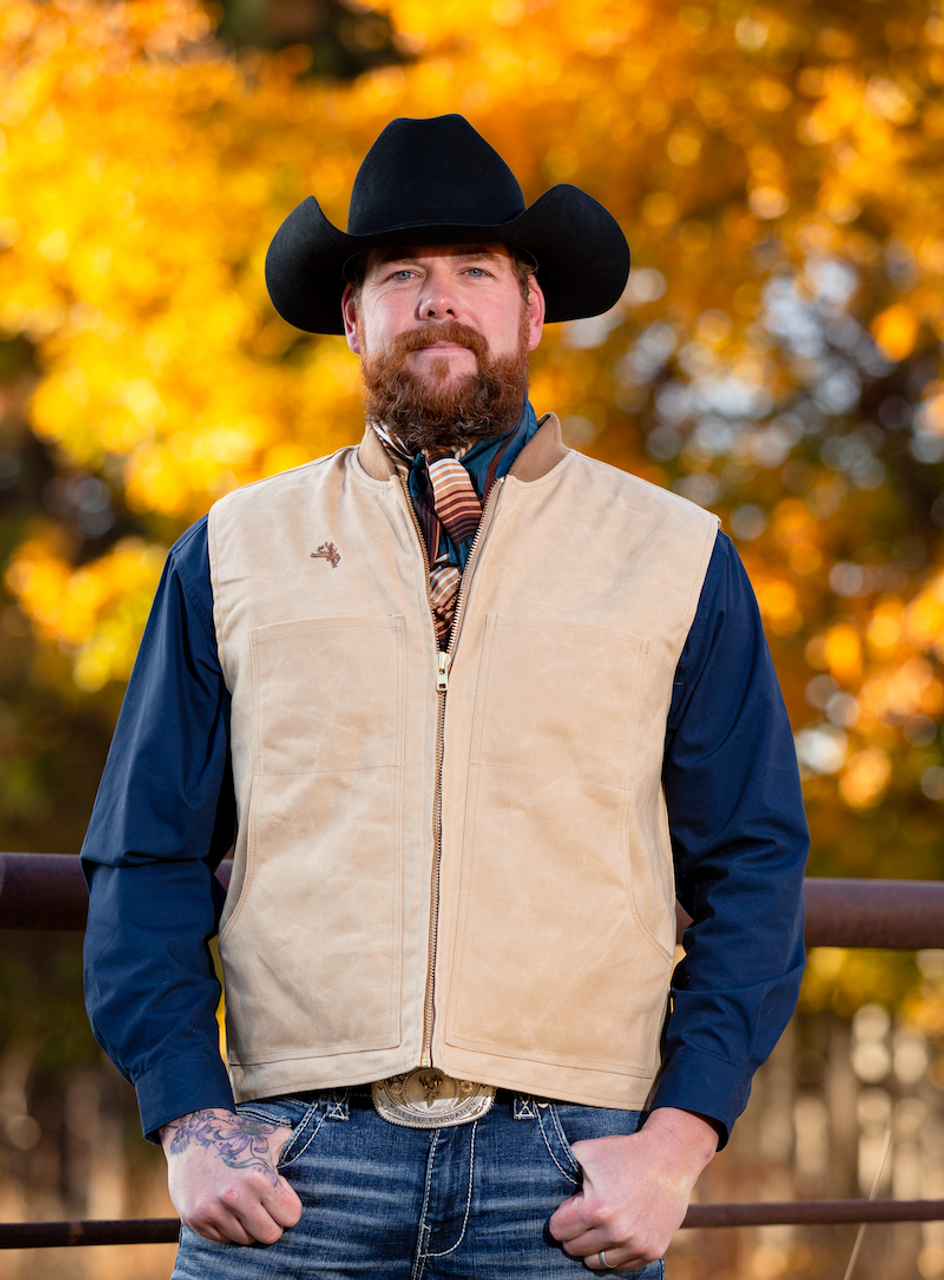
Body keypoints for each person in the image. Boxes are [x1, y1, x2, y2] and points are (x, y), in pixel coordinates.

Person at [81, 114, 808, 1278]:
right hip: (292, 1164)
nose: (439, 300)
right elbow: (143, 851)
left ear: (530, 310)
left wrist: (674, 1139)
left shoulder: (675, 554)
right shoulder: (230, 551)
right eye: (402, 275)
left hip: (574, 1165)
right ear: (352, 317)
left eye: (475, 271)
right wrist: (188, 1117)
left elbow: (754, 858)